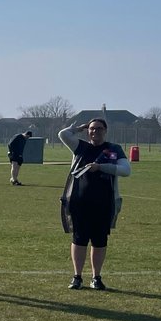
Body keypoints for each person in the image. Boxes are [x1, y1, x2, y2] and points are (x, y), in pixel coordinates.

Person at [59, 118, 131, 290]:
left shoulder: (114, 149)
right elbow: (63, 134)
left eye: (99, 128)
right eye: (91, 129)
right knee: (79, 239)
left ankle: (96, 277)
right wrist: (78, 128)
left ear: (105, 130)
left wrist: (100, 167)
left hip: (104, 203)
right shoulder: (80, 147)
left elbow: (126, 170)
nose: (94, 132)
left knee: (99, 241)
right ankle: (77, 276)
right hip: (79, 202)